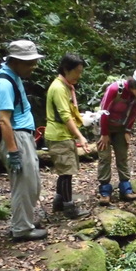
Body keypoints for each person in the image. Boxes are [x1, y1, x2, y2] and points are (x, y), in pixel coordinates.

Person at [0, 40, 47, 242]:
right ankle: (21, 229)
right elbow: (4, 120)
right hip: (16, 137)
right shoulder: (4, 83)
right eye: (29, 62)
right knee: (23, 184)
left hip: (24, 136)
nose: (33, 66)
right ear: (14, 61)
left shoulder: (13, 77)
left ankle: (26, 220)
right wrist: (14, 152)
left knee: (32, 183)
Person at [97, 69, 136, 206]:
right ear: (135, 85)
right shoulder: (115, 89)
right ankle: (105, 191)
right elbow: (103, 112)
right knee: (105, 157)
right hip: (103, 126)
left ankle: (125, 188)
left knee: (122, 156)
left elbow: (134, 112)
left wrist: (128, 130)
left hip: (121, 128)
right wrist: (104, 134)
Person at [45, 53, 91, 219]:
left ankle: (58, 203)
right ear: (66, 69)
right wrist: (80, 136)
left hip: (62, 135)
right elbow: (65, 116)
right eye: (77, 71)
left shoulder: (64, 86)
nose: (79, 75)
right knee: (66, 173)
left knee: (64, 172)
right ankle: (69, 208)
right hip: (58, 136)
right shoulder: (58, 88)